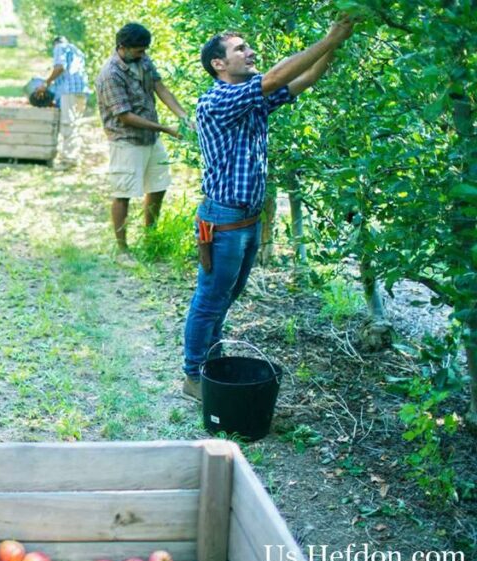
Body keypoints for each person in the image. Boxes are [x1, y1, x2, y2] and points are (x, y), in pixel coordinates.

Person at [181, 18, 355, 399]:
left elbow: (301, 80)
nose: (250, 52)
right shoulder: (220, 100)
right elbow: (276, 77)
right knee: (209, 300)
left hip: (244, 220)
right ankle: (193, 375)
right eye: (240, 49)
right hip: (224, 221)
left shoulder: (249, 98)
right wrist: (328, 37)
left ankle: (211, 362)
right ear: (219, 65)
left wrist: (333, 46)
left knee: (225, 297)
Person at [95, 23, 192, 266]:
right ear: (122, 48)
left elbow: (160, 87)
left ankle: (150, 239)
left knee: (158, 187)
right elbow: (125, 116)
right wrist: (164, 129)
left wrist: (182, 116)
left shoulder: (143, 61)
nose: (143, 54)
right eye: (139, 51)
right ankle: (122, 250)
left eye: (145, 50)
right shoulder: (110, 74)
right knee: (123, 193)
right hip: (126, 141)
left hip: (151, 138)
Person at [34, 36, 89, 169]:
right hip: (81, 90)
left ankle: (68, 160)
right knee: (74, 123)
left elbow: (60, 67)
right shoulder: (76, 50)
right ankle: (74, 156)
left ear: (55, 44)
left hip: (69, 91)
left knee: (67, 124)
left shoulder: (60, 47)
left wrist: (46, 83)